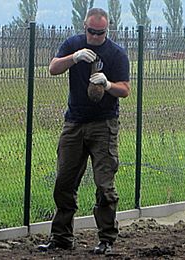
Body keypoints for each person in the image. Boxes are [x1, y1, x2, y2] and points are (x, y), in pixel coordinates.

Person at [38, 7, 130, 255]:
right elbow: (53, 68)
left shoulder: (116, 54)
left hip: (104, 125)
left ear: (106, 30)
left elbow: (125, 89)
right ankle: (61, 237)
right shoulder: (73, 44)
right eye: (91, 32)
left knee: (104, 185)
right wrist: (74, 57)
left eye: (100, 33)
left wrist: (108, 84)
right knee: (64, 183)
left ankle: (107, 239)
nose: (95, 37)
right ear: (84, 27)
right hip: (74, 123)